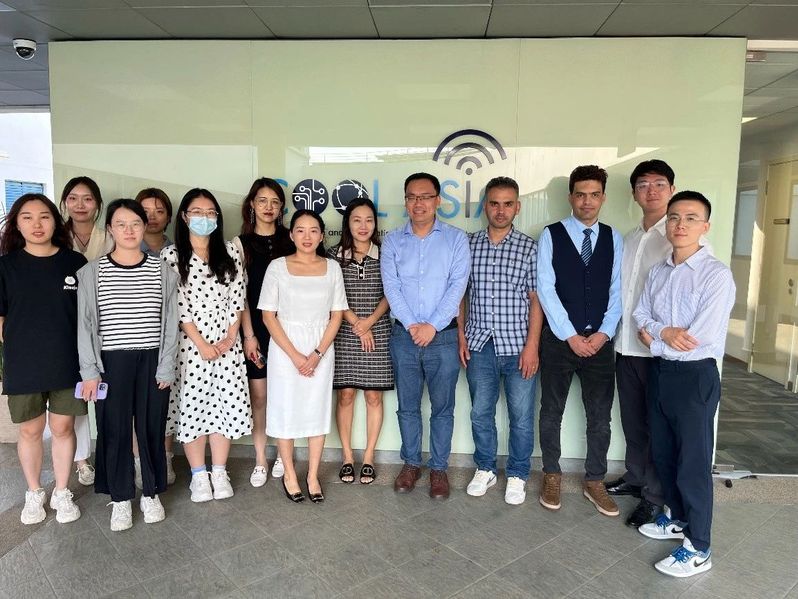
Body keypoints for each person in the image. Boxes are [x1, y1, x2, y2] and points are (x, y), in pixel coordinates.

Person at [634, 191, 734, 578]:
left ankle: (699, 546)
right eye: (674, 217)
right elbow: (641, 314)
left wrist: (655, 341)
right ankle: (676, 518)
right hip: (661, 373)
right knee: (664, 453)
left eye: (691, 218)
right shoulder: (659, 271)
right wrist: (664, 333)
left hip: (695, 377)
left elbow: (699, 337)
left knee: (692, 464)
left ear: (705, 226)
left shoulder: (715, 275)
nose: (680, 224)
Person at [76, 199, 179, 531]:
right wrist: (90, 371)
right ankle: (120, 498)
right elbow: (85, 325)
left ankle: (150, 492)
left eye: (136, 223)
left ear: (144, 226)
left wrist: (166, 366)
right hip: (110, 362)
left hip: (152, 360)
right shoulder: (91, 272)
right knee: (114, 429)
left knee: (151, 428)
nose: (129, 230)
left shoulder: (162, 271)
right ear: (110, 229)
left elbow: (170, 322)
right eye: (121, 224)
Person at [536, 165, 623, 516]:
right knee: (551, 412)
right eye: (581, 194)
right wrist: (570, 334)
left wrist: (603, 333)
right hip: (560, 341)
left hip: (600, 342)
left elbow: (618, 290)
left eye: (594, 195)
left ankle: (594, 480)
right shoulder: (551, 234)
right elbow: (546, 288)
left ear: (603, 197)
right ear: (571, 197)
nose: (587, 201)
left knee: (600, 417)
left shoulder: (614, 238)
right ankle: (551, 474)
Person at [381, 172, 470, 500]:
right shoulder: (393, 240)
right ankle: (410, 464)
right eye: (412, 197)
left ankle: (439, 469)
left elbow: (457, 286)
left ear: (437, 200)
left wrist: (432, 325)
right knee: (407, 406)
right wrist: (412, 325)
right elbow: (391, 287)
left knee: (443, 408)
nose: (418, 203)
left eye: (425, 196)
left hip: (443, 337)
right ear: (405, 201)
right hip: (404, 337)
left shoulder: (456, 239)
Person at [0, 193, 85, 525]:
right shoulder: (6, 266)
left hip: (68, 362)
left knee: (63, 427)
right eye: (27, 217)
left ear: (55, 222)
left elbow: (87, 316)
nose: (37, 224)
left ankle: (62, 491)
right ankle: (34, 492)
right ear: (17, 224)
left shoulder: (75, 263)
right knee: (30, 430)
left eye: (44, 217)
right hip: (24, 364)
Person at [162, 188, 251, 503]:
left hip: (227, 343)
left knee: (225, 406)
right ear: (185, 217)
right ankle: (199, 475)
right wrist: (201, 343)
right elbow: (177, 305)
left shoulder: (230, 251)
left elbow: (238, 295)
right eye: (197, 212)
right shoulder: (171, 256)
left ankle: (219, 471)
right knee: (194, 408)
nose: (205, 217)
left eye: (211, 212)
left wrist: (230, 336)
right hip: (191, 346)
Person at [458, 177, 543, 505]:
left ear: (517, 207)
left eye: (508, 204)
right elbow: (461, 294)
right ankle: (486, 468)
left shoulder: (529, 247)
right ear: (485, 206)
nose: (500, 210)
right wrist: (461, 335)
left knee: (521, 416)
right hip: (479, 345)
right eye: (494, 203)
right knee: (480, 412)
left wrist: (532, 346)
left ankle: (518, 473)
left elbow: (535, 300)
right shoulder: (468, 245)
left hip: (519, 346)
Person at [605, 160, 676, 528]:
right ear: (634, 193)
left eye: (659, 184)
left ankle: (654, 496)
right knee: (633, 422)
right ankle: (635, 478)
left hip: (657, 351)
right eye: (643, 185)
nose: (651, 191)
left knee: (657, 427)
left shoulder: (677, 238)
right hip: (626, 347)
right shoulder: (629, 238)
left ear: (671, 190)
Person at [259, 210, 347, 503]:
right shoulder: (277, 267)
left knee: (316, 409)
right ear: (291, 234)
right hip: (285, 349)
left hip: (321, 348)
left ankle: (312, 475)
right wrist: (296, 356)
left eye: (313, 230)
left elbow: (336, 315)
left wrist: (318, 353)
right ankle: (290, 474)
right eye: (300, 230)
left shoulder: (332, 268)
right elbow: (268, 316)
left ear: (322, 236)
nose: (307, 236)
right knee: (285, 410)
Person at [327, 198, 393, 485]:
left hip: (377, 332)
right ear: (347, 223)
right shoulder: (333, 255)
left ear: (375, 224)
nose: (363, 226)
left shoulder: (387, 253)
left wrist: (369, 322)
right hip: (343, 332)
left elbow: (392, 293)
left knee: (373, 396)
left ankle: (368, 457)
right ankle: (346, 457)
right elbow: (332, 295)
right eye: (357, 219)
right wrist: (357, 323)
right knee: (346, 394)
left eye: (369, 220)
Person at [234, 178, 295, 487]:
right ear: (252, 205)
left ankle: (285, 456)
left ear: (281, 207)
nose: (269, 207)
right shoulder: (239, 244)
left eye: (275, 202)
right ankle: (260, 459)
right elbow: (239, 295)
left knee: (286, 394)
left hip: (290, 330)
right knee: (259, 396)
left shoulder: (292, 239)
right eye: (262, 201)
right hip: (256, 329)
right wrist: (248, 335)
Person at [60, 176, 113, 487]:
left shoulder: (109, 237)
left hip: (107, 324)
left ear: (98, 204)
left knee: (108, 392)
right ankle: (81, 459)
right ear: (65, 202)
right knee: (74, 393)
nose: (80, 205)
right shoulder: (55, 236)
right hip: (65, 322)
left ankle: (111, 454)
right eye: (73, 198)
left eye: (88, 198)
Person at [133, 187, 177, 489]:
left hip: (172, 336)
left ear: (170, 217)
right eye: (146, 211)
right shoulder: (123, 250)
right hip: (135, 336)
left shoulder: (177, 252)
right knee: (135, 402)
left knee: (167, 399)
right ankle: (139, 461)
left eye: (159, 211)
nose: (152, 217)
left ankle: (165, 456)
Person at [136, 188, 173, 257]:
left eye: (159, 211)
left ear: (168, 217)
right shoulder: (127, 250)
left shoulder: (180, 253)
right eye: (145, 212)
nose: (152, 217)